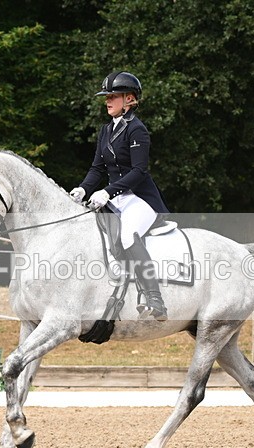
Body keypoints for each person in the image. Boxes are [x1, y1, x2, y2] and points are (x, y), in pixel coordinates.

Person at [69, 71, 170, 320]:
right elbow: (97, 168)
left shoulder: (137, 130)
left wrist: (106, 191)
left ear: (130, 99)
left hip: (141, 199)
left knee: (127, 235)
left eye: (113, 96)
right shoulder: (106, 131)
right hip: (117, 198)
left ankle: (155, 298)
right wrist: (83, 189)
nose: (107, 101)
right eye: (107, 96)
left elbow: (139, 171)